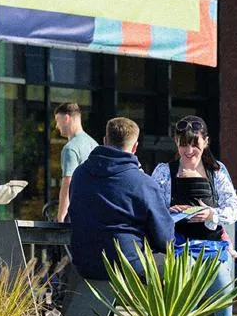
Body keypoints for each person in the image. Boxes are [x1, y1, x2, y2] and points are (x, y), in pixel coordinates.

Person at [151, 115, 237, 316]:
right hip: (179, 246)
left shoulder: (216, 171)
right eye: (184, 144)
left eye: (194, 144)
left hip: (212, 246)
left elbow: (234, 207)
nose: (189, 150)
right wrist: (169, 212)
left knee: (222, 283)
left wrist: (211, 213)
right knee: (185, 282)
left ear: (206, 142)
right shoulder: (165, 172)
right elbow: (151, 208)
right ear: (176, 142)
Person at [67, 116, 172, 282]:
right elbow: (165, 239)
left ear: (104, 140)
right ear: (135, 147)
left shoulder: (79, 174)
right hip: (128, 266)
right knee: (186, 267)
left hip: (85, 265)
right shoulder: (143, 182)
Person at [54, 102, 97, 223]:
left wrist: (61, 216)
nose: (57, 125)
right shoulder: (94, 144)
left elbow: (68, 182)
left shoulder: (70, 148)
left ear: (66, 118)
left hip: (79, 212)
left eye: (57, 120)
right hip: (96, 210)